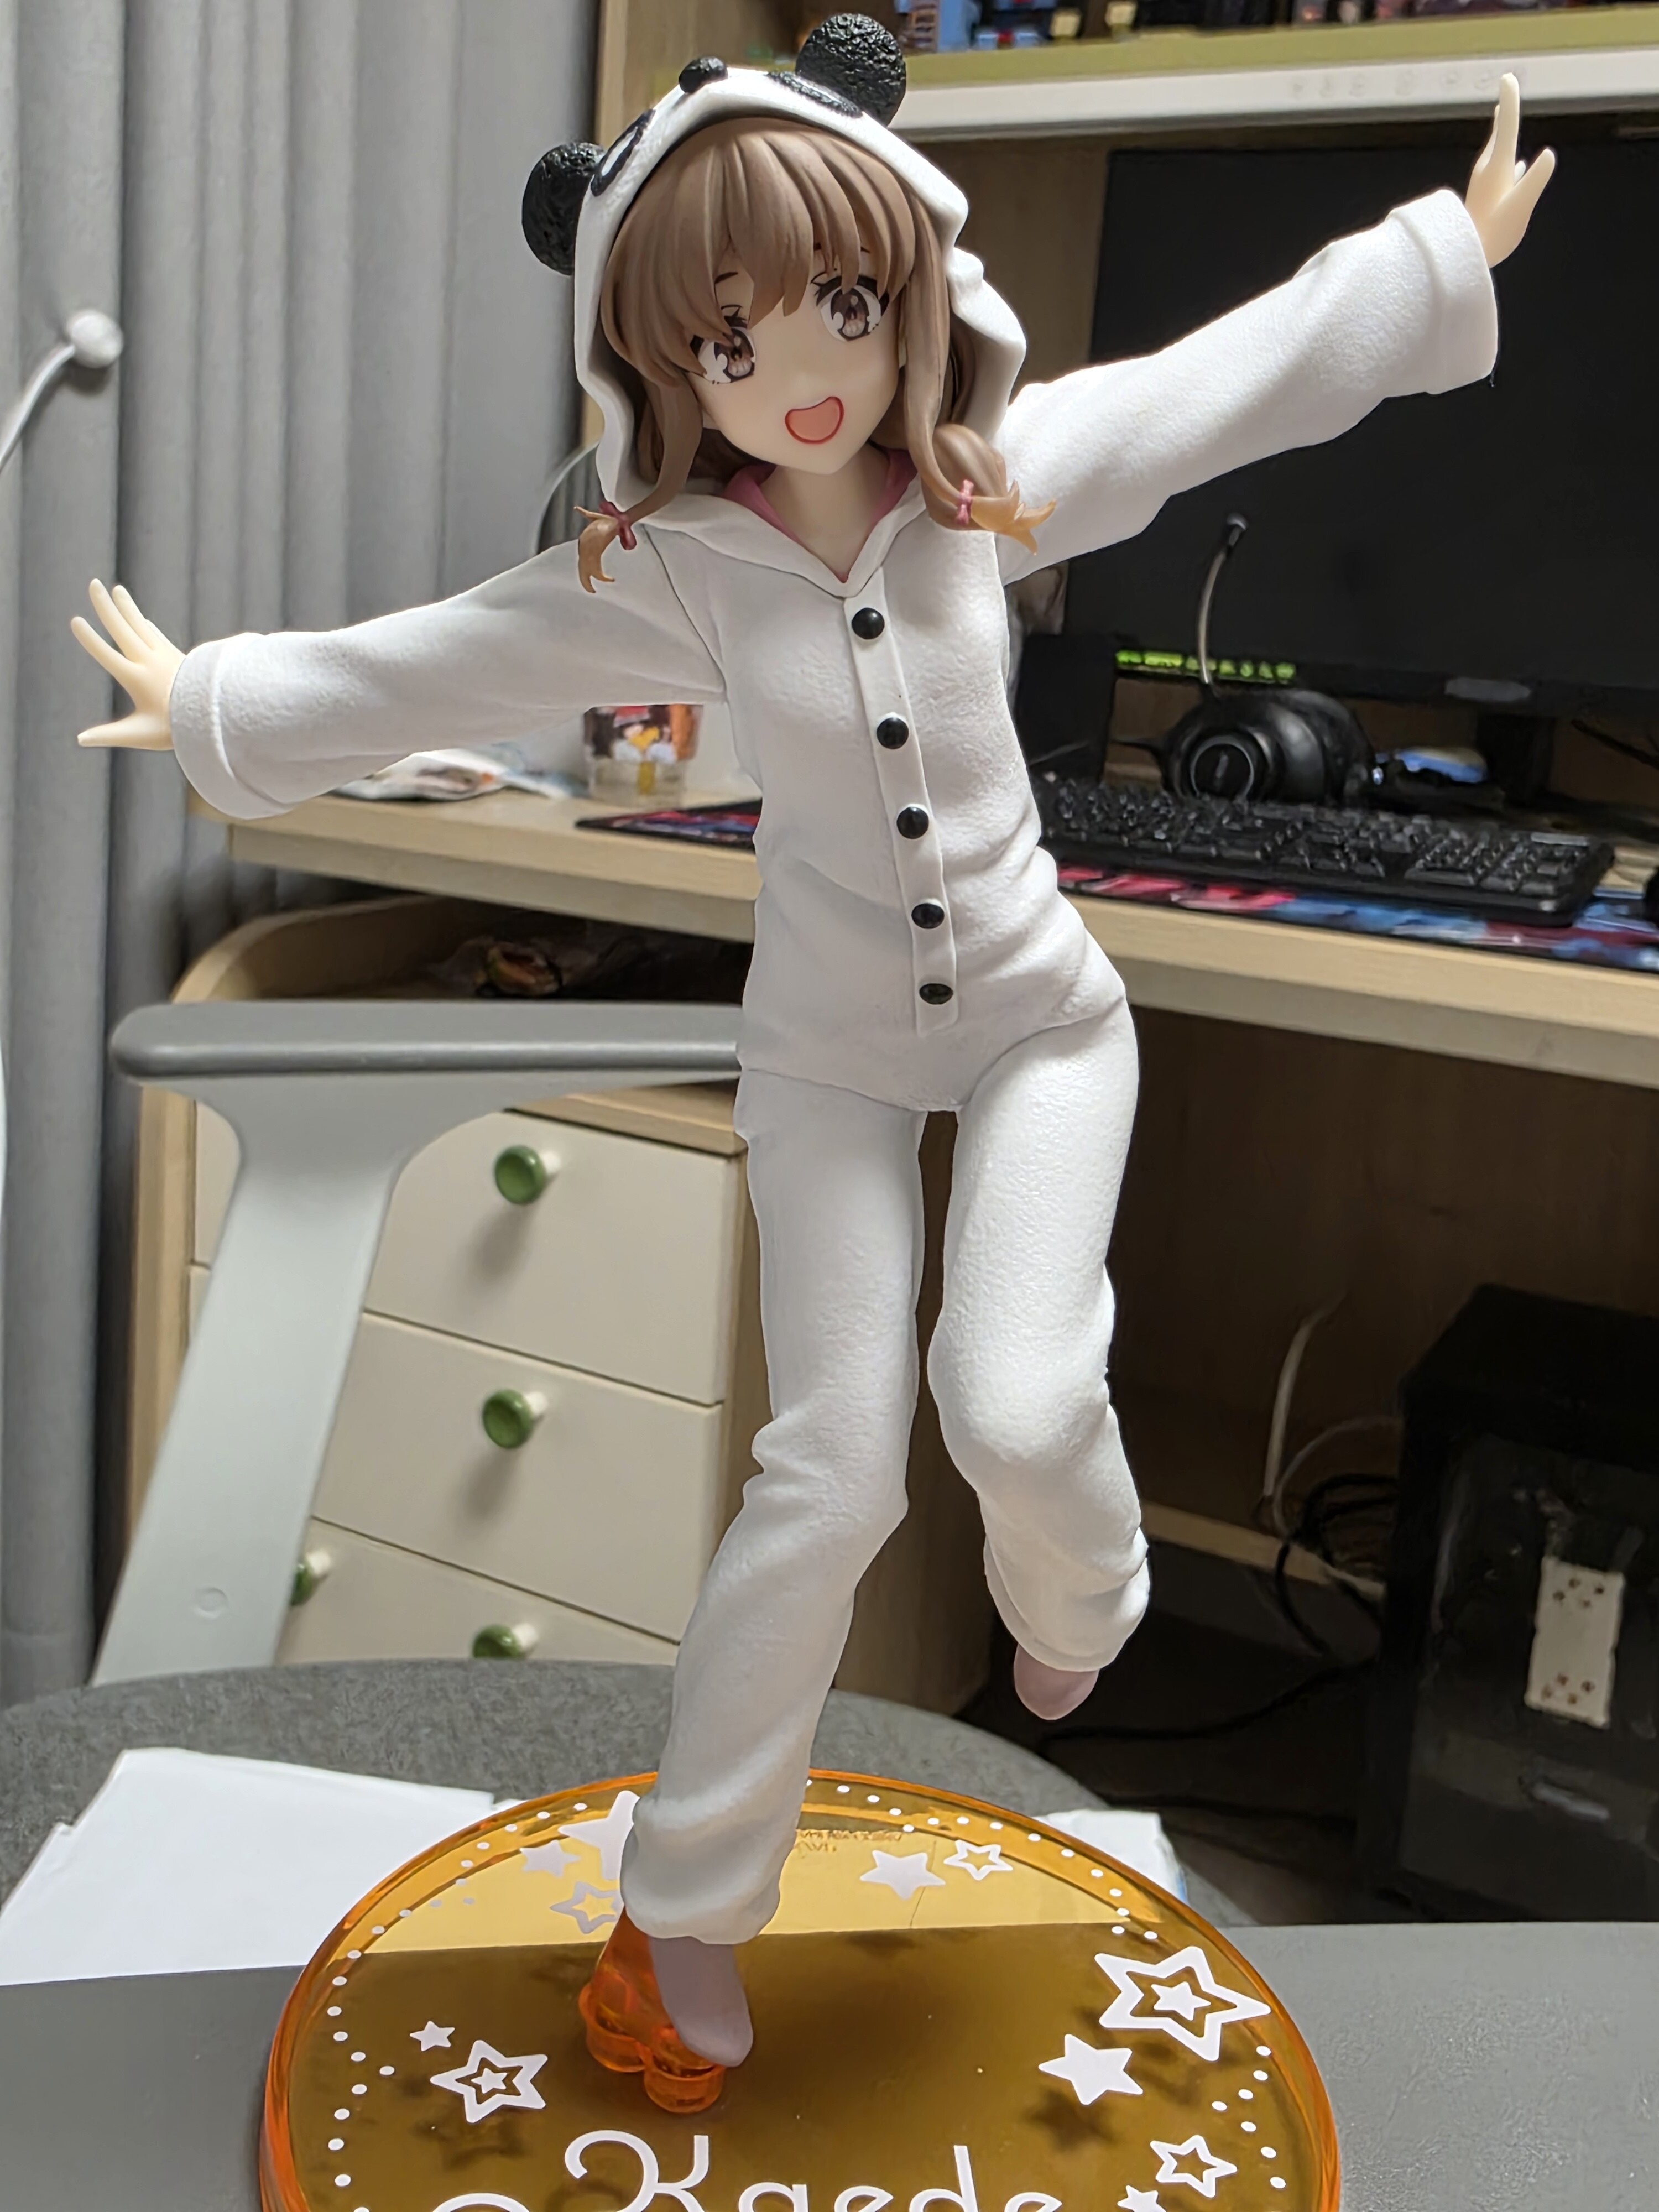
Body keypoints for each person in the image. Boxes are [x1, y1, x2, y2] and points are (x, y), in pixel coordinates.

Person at [72, 16, 1552, 2102]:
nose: (798, 370)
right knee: (830, 1469)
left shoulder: (986, 489)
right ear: (668, 367)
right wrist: (224, 700)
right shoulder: (681, 573)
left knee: (1016, 1402)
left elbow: (1228, 385)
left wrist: (1432, 260)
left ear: (908, 285)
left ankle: (1083, 1594)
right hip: (828, 1061)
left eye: (840, 304)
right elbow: (460, 654)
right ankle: (679, 1915)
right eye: (729, 340)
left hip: (1042, 1023)